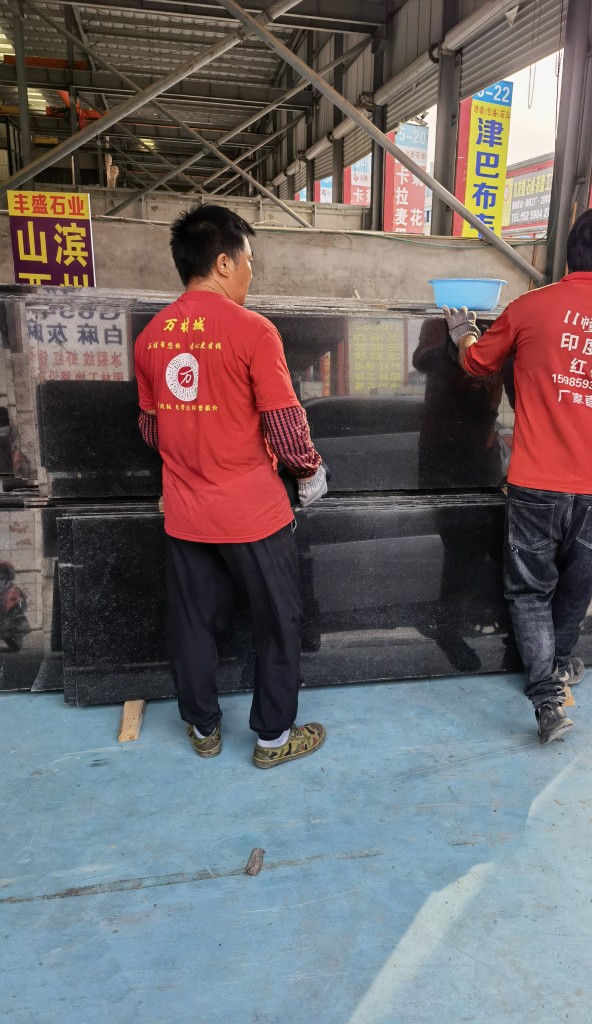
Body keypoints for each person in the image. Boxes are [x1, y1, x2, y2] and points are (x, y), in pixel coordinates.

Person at [443, 206, 592, 745]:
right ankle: (559, 664)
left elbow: (477, 363)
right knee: (577, 583)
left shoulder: (530, 308)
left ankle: (547, 701)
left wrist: (464, 333)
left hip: (536, 482)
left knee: (529, 590)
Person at [134, 204, 327, 767]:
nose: (250, 272)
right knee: (277, 622)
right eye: (249, 261)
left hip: (186, 513)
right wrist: (309, 472)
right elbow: (284, 423)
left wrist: (188, 455)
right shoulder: (252, 330)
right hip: (253, 513)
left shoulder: (151, 337)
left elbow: (151, 427)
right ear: (223, 262)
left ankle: (203, 728)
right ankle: (273, 740)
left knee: (192, 624)